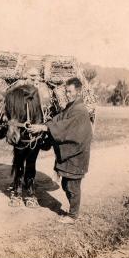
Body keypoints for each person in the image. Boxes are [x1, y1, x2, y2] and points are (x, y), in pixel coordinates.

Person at [28, 77, 93, 224]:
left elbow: (65, 126)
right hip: (71, 153)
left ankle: (73, 215)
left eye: (69, 91)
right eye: (66, 91)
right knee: (66, 184)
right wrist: (45, 124)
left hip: (77, 154)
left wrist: (45, 128)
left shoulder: (80, 111)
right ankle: (73, 212)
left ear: (78, 91)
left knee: (72, 186)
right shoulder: (72, 106)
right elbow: (59, 119)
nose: (67, 94)